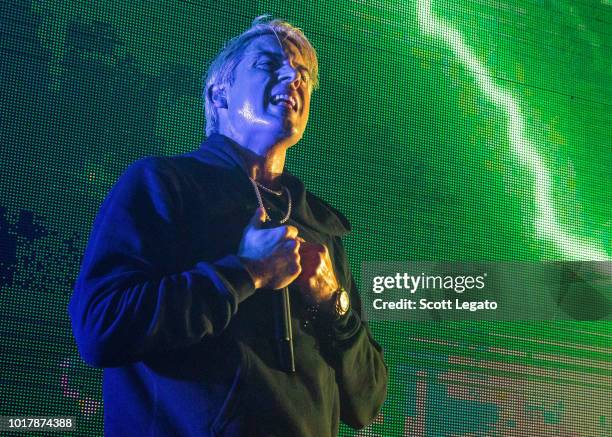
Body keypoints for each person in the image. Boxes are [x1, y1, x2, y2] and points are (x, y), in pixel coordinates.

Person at [69, 16, 387, 436]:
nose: (294, 76)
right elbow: (101, 327)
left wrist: (334, 303)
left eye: (304, 73)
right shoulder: (163, 185)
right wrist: (246, 272)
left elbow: (365, 404)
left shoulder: (320, 230)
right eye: (268, 63)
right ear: (219, 94)